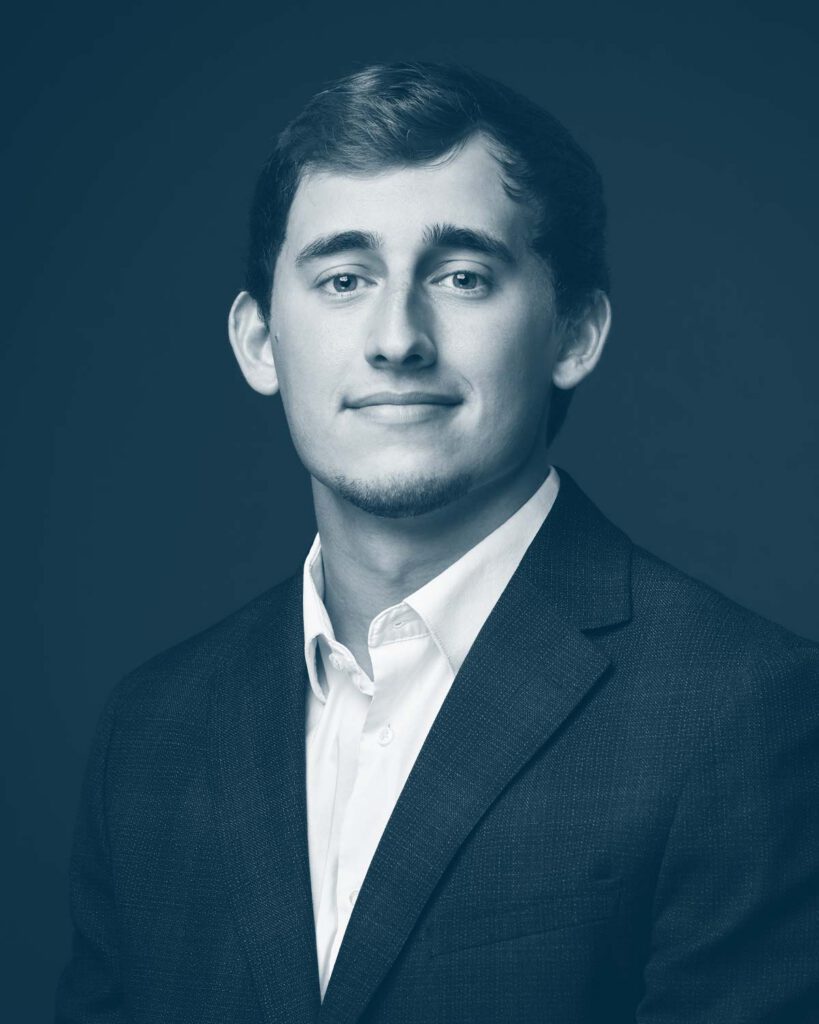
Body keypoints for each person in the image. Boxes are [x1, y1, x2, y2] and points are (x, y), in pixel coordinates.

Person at [55, 62, 819, 1024]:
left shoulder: (744, 712)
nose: (396, 338)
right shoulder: (153, 732)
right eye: (343, 277)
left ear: (572, 333)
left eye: (461, 276)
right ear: (259, 342)